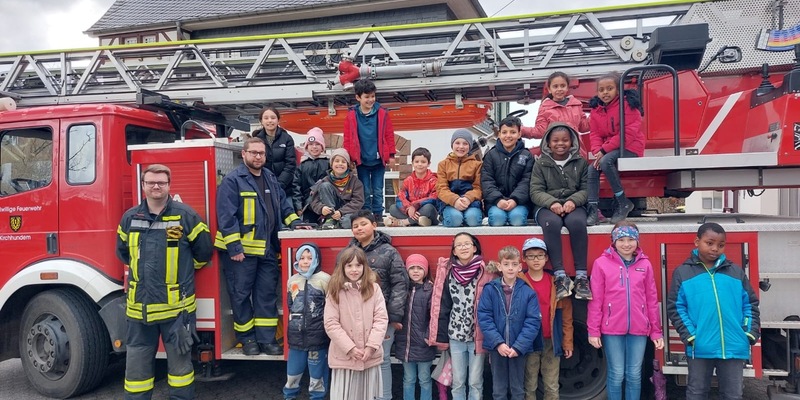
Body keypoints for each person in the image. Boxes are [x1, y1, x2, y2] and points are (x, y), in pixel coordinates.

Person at [116, 164, 213, 400]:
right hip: (140, 312)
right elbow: (123, 252)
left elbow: (204, 252)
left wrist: (182, 273)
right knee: (136, 376)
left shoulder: (185, 216)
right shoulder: (130, 218)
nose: (156, 186)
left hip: (177, 312)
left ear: (169, 185)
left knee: (180, 373)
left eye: (161, 182)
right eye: (151, 182)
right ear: (143, 186)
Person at [216, 137, 301, 356]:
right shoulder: (233, 180)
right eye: (253, 152)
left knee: (266, 296)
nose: (257, 157)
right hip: (241, 253)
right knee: (241, 296)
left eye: (261, 153)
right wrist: (234, 248)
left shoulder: (270, 177)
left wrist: (295, 223)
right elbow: (226, 216)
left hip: (267, 250)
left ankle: (267, 339)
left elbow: (283, 205)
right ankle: (247, 340)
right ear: (243, 154)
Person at [667, 222, 760, 400]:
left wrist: (748, 333)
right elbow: (676, 307)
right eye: (709, 243)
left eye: (720, 245)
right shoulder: (683, 272)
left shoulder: (735, 272)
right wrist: (690, 336)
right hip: (700, 346)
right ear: (697, 241)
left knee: (733, 395)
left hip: (734, 346)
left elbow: (750, 304)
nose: (715, 248)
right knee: (697, 393)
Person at [587, 221, 664, 400]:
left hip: (638, 329)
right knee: (616, 374)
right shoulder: (601, 264)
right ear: (613, 241)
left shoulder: (645, 265)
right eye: (621, 239)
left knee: (634, 374)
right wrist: (593, 330)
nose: (626, 244)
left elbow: (651, 300)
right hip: (611, 329)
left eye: (631, 239)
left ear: (637, 241)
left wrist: (656, 331)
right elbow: (595, 300)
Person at [347, 209, 408, 400]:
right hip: (354, 318)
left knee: (381, 359)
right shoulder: (348, 254)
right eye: (355, 226)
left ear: (374, 225)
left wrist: (394, 315)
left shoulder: (389, 252)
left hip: (381, 318)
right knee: (358, 359)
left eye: (363, 224)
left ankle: (384, 397)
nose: (359, 228)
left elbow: (400, 283)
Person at [429, 232, 496, 400]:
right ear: (454, 251)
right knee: (458, 381)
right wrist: (439, 336)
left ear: (474, 248)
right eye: (459, 245)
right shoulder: (448, 272)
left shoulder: (486, 271)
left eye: (467, 243)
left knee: (475, 381)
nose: (464, 247)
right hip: (455, 336)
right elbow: (442, 304)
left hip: (477, 336)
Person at [529, 122, 592, 301]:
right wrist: (552, 203)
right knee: (552, 223)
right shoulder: (540, 163)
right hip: (547, 206)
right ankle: (560, 276)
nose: (560, 144)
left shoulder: (580, 162)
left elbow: (587, 189)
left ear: (572, 142)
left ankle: (581, 277)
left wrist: (573, 201)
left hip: (574, 204)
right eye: (555, 140)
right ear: (548, 143)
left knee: (577, 223)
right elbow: (535, 191)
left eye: (565, 140)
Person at [324, 246, 389, 399]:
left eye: (358, 265)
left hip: (369, 356)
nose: (354, 270)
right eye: (349, 265)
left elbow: (381, 319)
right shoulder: (335, 291)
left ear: (365, 267)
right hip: (345, 356)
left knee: (367, 395)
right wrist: (350, 348)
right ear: (342, 267)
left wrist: (371, 346)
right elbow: (331, 323)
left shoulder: (374, 289)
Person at [478, 246, 542, 400]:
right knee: (499, 389)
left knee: (518, 388)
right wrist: (498, 343)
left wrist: (519, 346)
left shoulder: (528, 292)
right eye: (506, 264)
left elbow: (533, 322)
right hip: (497, 348)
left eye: (514, 264)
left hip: (517, 349)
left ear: (520, 267)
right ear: (499, 266)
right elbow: (485, 317)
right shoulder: (490, 289)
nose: (510, 268)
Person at [517, 238, 574, 400]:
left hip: (551, 341)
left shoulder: (557, 283)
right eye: (531, 256)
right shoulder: (519, 282)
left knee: (551, 384)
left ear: (546, 258)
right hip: (529, 341)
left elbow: (566, 316)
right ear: (524, 258)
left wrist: (567, 342)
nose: (536, 259)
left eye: (540, 255)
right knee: (529, 384)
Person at [586, 72, 646, 225]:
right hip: (609, 149)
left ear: (618, 90)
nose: (605, 92)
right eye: (601, 89)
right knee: (592, 169)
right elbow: (595, 134)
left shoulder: (627, 105)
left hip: (630, 147)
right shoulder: (596, 111)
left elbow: (628, 133)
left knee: (605, 162)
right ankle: (592, 209)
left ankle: (623, 202)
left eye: (609, 88)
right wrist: (597, 151)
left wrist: (604, 151)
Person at [343, 79, 397, 220]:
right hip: (362, 161)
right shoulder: (351, 116)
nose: (371, 99)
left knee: (378, 189)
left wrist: (391, 155)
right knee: (365, 190)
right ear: (358, 97)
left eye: (373, 96)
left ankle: (378, 215)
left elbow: (389, 135)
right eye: (367, 97)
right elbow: (348, 138)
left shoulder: (382, 113)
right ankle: (367, 215)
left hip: (378, 160)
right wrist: (349, 158)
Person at [284, 243, 331, 400]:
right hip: (296, 337)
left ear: (317, 259)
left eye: (310, 258)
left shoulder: (325, 279)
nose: (305, 261)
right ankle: (289, 396)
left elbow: (330, 306)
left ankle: (317, 397)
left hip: (318, 338)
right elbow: (290, 305)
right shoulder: (292, 280)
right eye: (302, 258)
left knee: (317, 373)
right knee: (293, 372)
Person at [395, 254, 436, 400]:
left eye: (420, 268)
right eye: (412, 268)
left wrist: (428, 336)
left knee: (424, 379)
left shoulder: (430, 291)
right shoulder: (401, 290)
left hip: (424, 344)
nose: (416, 271)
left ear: (425, 270)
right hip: (405, 345)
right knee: (408, 379)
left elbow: (434, 317)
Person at [481, 116, 533, 227]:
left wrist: (515, 199)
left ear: (519, 134)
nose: (508, 136)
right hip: (495, 202)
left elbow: (527, 181)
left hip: (519, 203)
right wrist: (498, 199)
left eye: (513, 132)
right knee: (497, 219)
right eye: (504, 132)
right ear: (499, 134)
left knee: (517, 219)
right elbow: (487, 180)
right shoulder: (490, 155)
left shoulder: (527, 156)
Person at [521, 71, 590, 139]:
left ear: (567, 88)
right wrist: (519, 129)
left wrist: (597, 111)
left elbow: (584, 126)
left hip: (575, 148)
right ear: (549, 89)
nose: (559, 89)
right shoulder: (545, 108)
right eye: (555, 86)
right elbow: (540, 131)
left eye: (562, 86)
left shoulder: (576, 105)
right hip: (555, 148)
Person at [309, 148, 365, 229]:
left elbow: (358, 201)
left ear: (348, 165)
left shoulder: (355, 182)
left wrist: (341, 212)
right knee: (325, 186)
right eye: (337, 161)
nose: (340, 164)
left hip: (347, 213)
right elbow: (314, 201)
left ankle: (337, 223)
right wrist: (322, 208)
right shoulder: (324, 180)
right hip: (330, 213)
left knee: (348, 223)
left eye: (343, 161)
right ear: (331, 164)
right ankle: (330, 219)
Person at [436, 129, 483, 228]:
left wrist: (468, 198)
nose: (461, 147)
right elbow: (441, 188)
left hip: (470, 201)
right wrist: (454, 200)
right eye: (457, 143)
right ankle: (446, 217)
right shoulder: (443, 164)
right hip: (450, 202)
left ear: (469, 146)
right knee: (454, 219)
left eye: (465, 144)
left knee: (473, 219)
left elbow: (478, 187)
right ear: (452, 145)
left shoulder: (477, 165)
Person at [384, 147, 439, 227]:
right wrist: (408, 208)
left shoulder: (433, 180)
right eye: (416, 162)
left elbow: (433, 198)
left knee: (429, 208)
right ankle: (421, 221)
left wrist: (415, 206)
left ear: (429, 163)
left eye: (423, 162)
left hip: (425, 210)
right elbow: (400, 197)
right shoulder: (408, 180)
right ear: (412, 163)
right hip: (411, 212)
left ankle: (403, 222)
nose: (419, 164)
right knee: (393, 208)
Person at [252, 106, 297, 193]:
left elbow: (290, 165)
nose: (270, 121)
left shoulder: (287, 138)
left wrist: (278, 185)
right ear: (261, 121)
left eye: (273, 118)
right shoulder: (256, 140)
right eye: (266, 118)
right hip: (262, 186)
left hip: (285, 188)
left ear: (278, 120)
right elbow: (254, 164)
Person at [292, 127, 330, 223]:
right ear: (307, 147)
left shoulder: (328, 163)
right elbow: (296, 186)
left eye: (317, 144)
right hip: (308, 206)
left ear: (322, 146)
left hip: (326, 205)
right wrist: (298, 206)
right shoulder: (302, 165)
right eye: (311, 144)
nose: (314, 147)